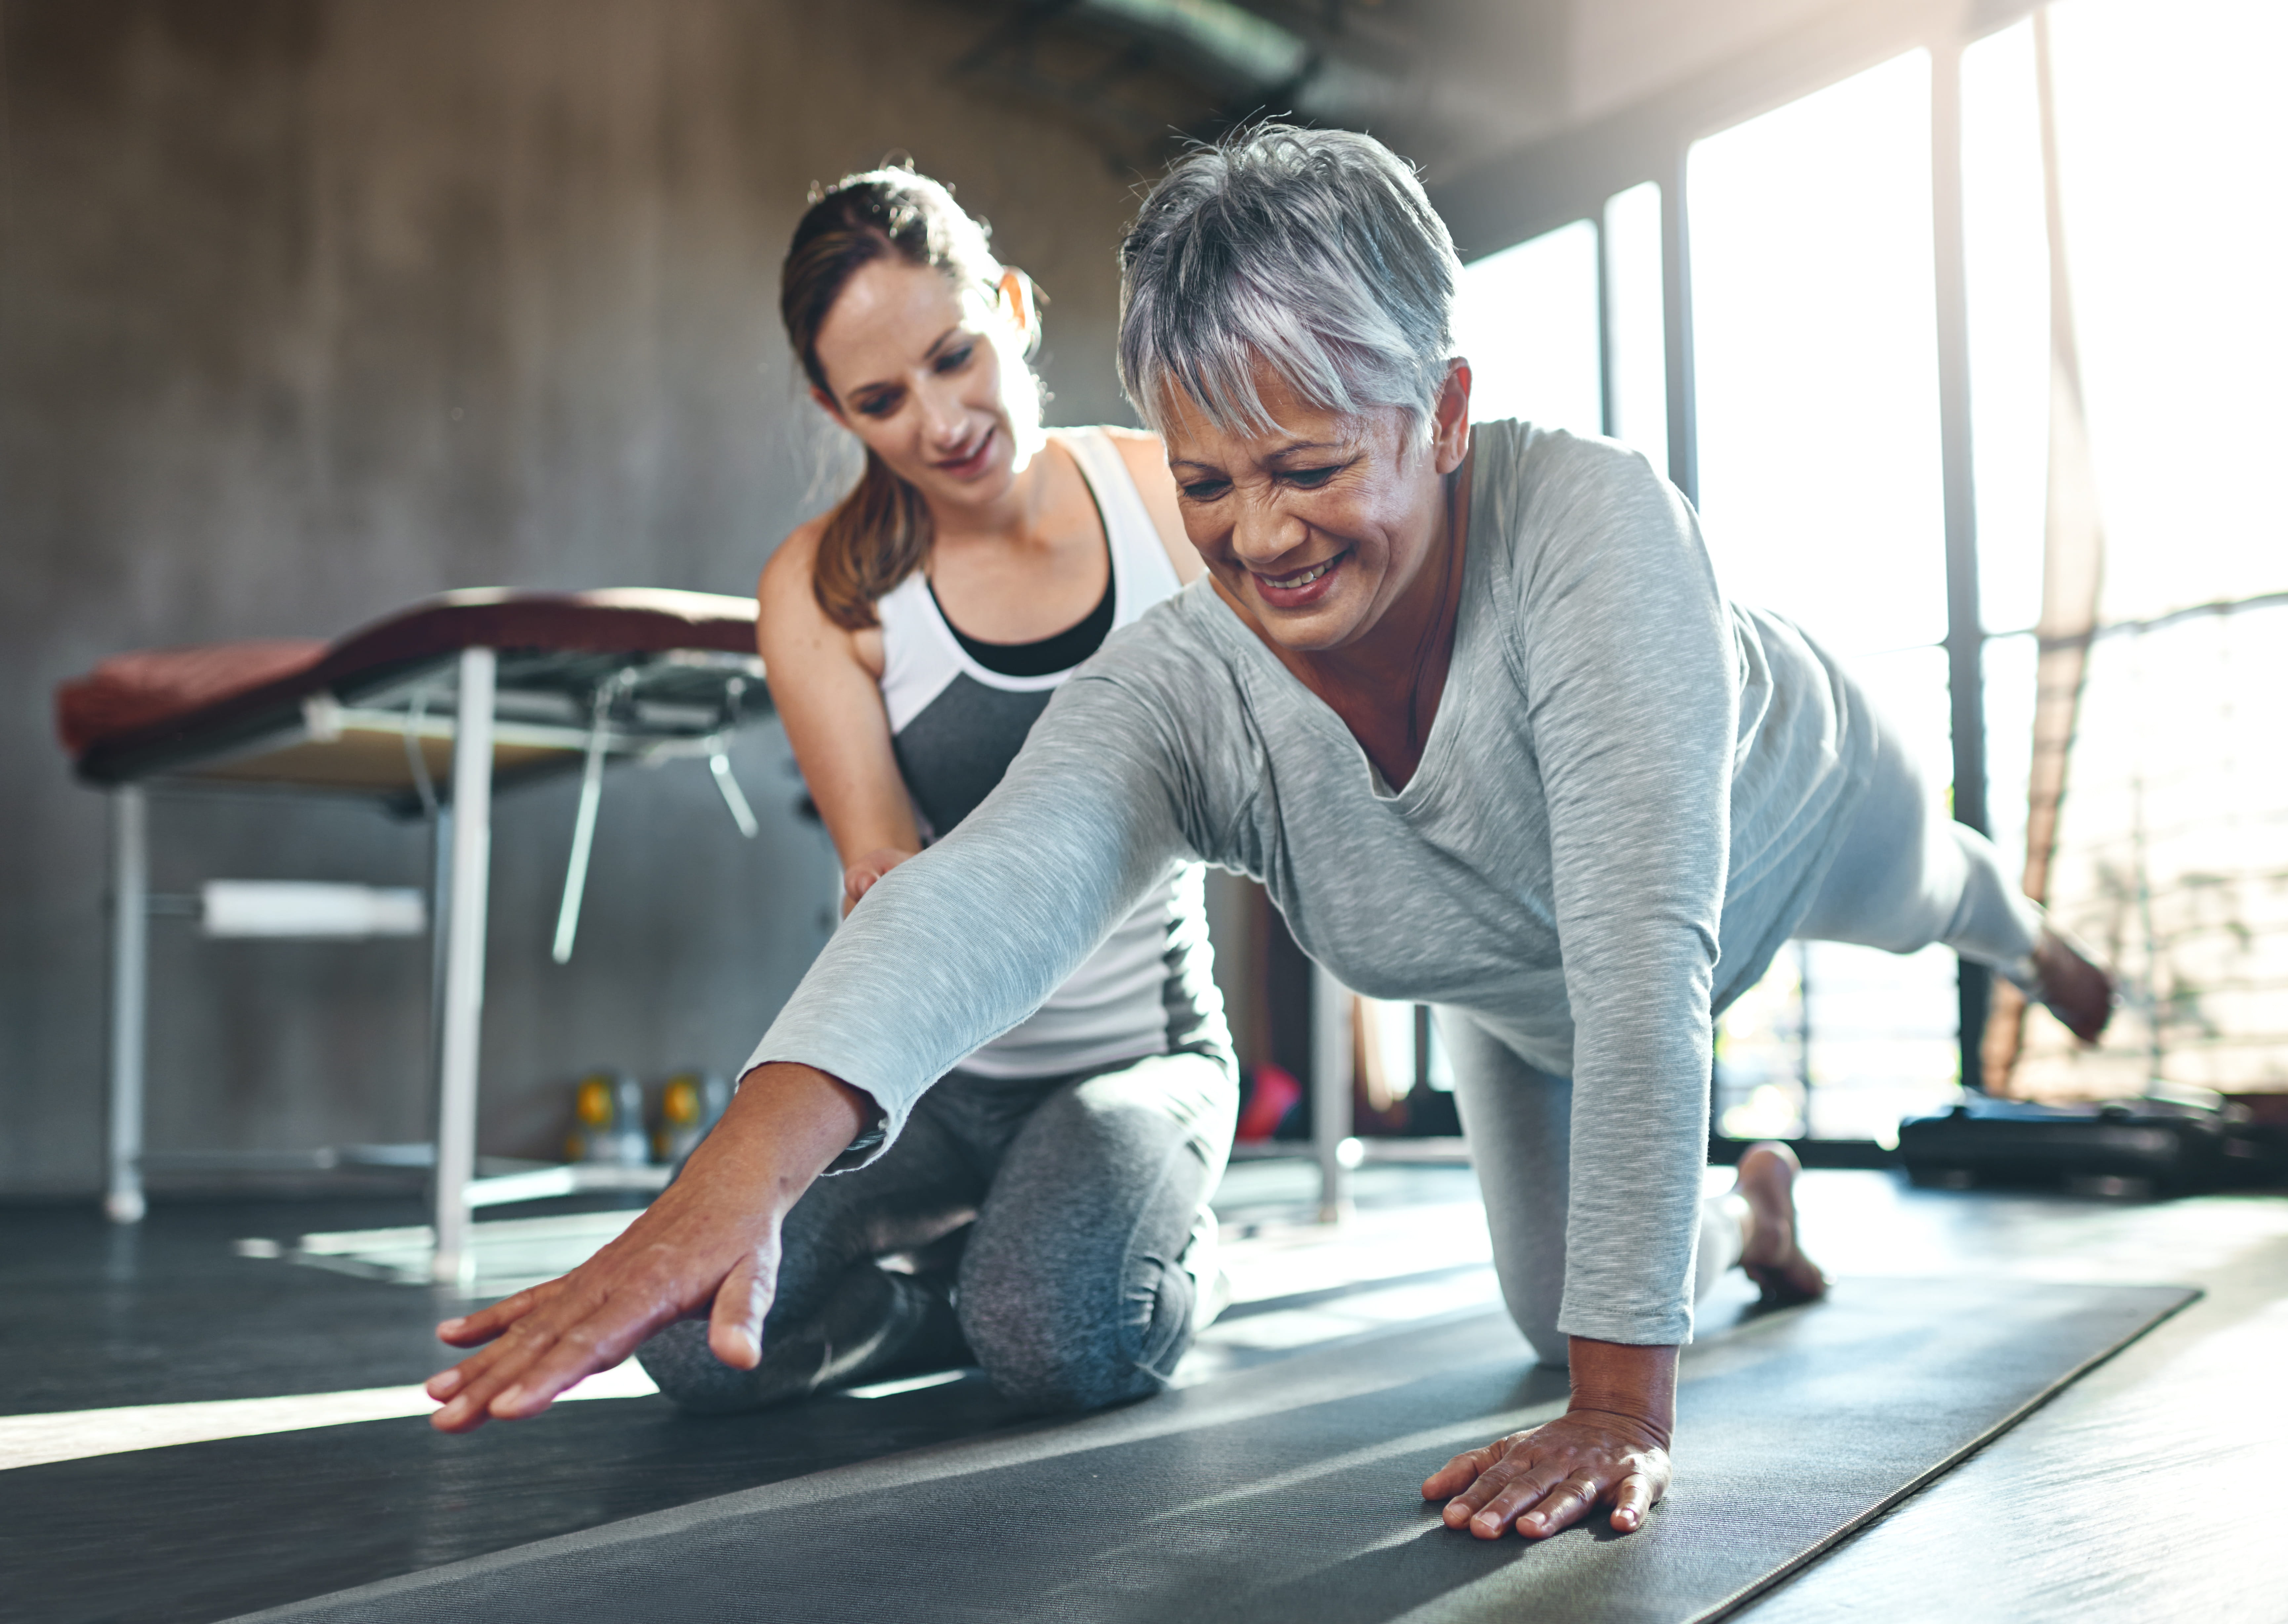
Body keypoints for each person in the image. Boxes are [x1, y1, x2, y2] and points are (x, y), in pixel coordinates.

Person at [425, 126, 2113, 1544]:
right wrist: (719, 1188)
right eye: (1211, 484)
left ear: (1442, 413)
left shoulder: (1596, 532)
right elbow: (989, 887)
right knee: (1560, 1301)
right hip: (1518, 990)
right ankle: (1756, 1218)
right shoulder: (1191, 684)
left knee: (1939, 893)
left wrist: (1622, 1408)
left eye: (1307, 466)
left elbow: (1642, 963)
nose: (1262, 538)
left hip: (1783, 828)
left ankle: (2028, 934)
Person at [634, 165, 1234, 1415]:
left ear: (1011, 304)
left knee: (1058, 1339)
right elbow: (888, 872)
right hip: (934, 1081)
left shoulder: (1166, 503)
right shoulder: (825, 588)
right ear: (831, 407)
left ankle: (1128, 1257)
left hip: (1133, 1058)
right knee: (689, 1334)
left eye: (956, 356)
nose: (941, 421)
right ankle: (938, 1307)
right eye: (881, 400)